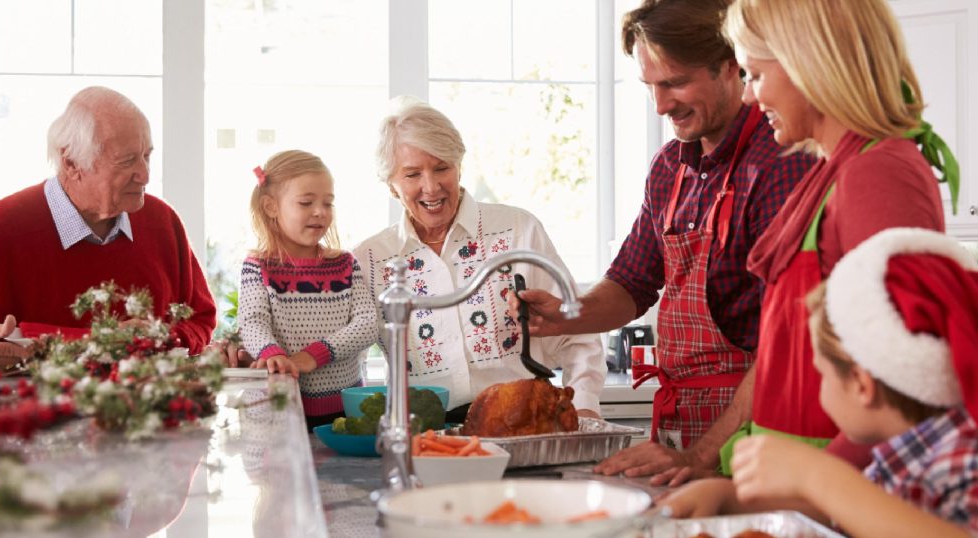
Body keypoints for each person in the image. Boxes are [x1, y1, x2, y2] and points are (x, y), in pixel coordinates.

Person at [516, 0, 814, 484]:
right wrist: (566, 313)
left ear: (731, 65)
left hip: (756, 431)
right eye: (651, 85)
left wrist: (701, 456)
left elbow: (786, 344)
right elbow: (633, 281)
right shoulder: (670, 166)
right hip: (680, 424)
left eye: (674, 82)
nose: (660, 105)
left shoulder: (780, 161)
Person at [703, 0, 955, 475]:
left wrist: (807, 488)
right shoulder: (832, 172)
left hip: (837, 502)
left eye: (754, 74)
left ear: (809, 65)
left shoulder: (877, 176)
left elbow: (900, 394)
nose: (749, 98)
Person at [658, 228, 978, 537]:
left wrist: (816, 475)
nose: (820, 387)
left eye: (821, 373)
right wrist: (727, 496)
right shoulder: (900, 457)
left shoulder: (962, 459)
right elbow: (847, 512)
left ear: (861, 386)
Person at [353, 98, 605, 422]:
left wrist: (584, 408)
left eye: (442, 167)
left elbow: (577, 333)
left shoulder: (517, 231)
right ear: (391, 185)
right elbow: (347, 355)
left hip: (524, 422)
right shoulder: (370, 259)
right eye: (413, 174)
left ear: (459, 165)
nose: (431, 187)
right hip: (424, 436)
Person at [0, 86, 216, 375]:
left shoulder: (162, 222)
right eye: (127, 161)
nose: (145, 175)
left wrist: (162, 339)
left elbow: (200, 318)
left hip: (144, 413)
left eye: (147, 156)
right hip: (28, 416)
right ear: (71, 163)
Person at [238, 150, 377, 428]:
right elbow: (252, 322)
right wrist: (272, 354)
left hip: (344, 411)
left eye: (328, 203)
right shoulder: (258, 266)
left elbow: (368, 324)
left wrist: (311, 356)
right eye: (306, 203)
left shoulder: (345, 264)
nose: (320, 212)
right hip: (280, 411)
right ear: (271, 207)